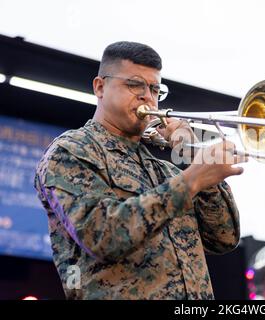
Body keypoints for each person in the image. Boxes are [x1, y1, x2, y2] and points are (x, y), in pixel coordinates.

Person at [34, 41, 246, 300]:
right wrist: (191, 180)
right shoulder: (71, 152)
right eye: (135, 84)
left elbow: (223, 238)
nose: (147, 96)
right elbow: (102, 235)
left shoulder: (166, 171)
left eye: (155, 88)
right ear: (100, 87)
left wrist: (194, 157)